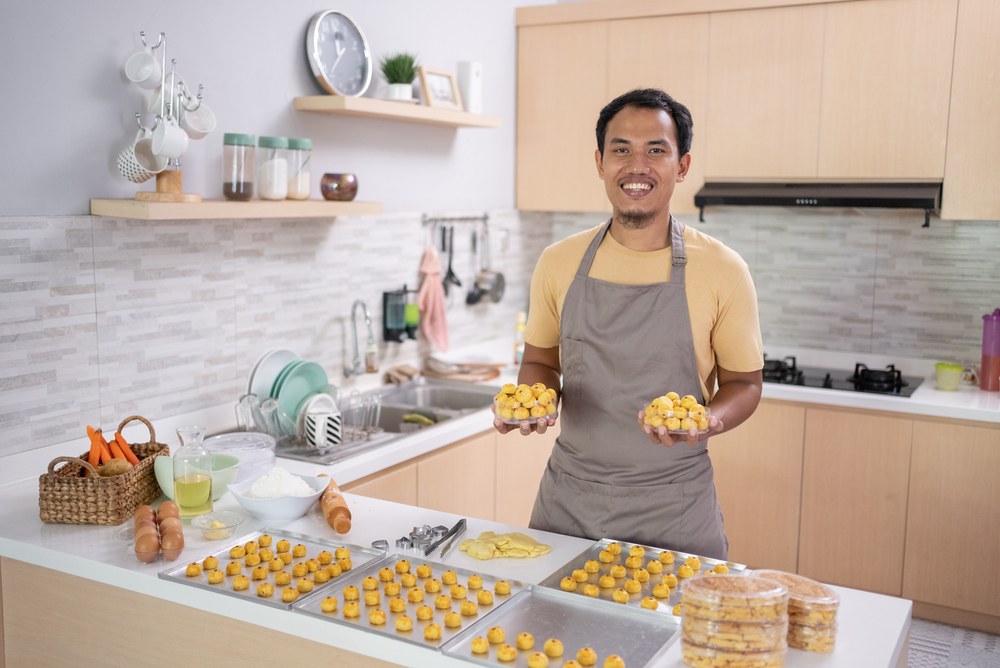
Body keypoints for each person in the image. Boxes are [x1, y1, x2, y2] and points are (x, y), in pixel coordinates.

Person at [494, 88, 763, 560]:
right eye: (621, 149)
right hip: (569, 503)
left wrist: (708, 420)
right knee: (553, 632)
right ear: (600, 161)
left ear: (681, 165)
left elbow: (744, 383)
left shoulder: (723, 268)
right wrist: (534, 402)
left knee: (683, 633)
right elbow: (538, 360)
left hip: (675, 505)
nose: (636, 166)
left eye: (656, 150)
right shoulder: (558, 262)